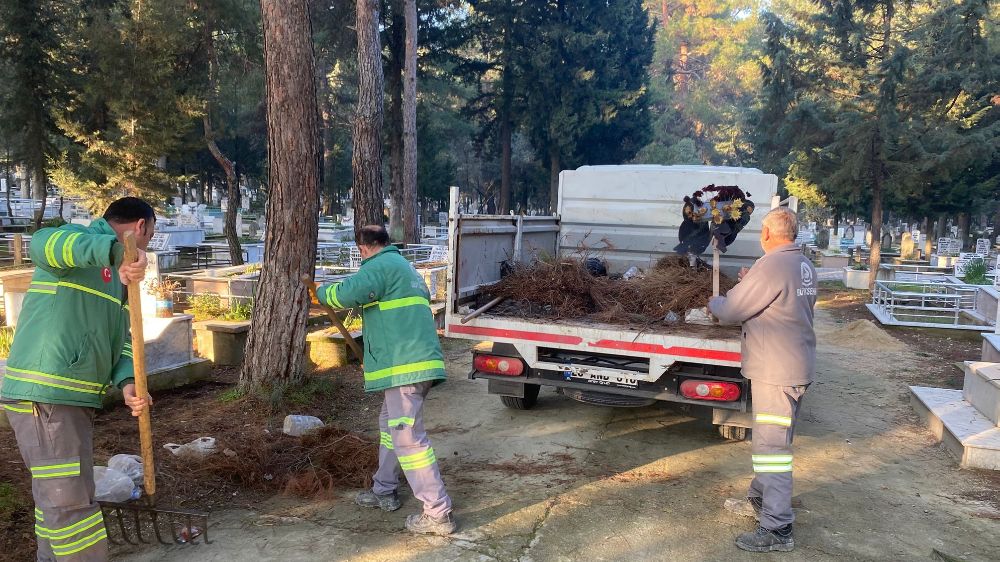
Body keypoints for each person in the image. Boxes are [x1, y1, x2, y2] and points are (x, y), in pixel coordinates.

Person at [1, 197, 154, 562]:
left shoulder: (116, 284)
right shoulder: (76, 243)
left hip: (70, 401)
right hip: (47, 395)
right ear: (142, 228)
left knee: (60, 497)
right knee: (70, 504)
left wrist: (129, 381)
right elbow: (42, 243)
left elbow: (123, 340)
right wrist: (116, 252)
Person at [315, 225, 455, 536]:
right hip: (413, 364)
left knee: (409, 438)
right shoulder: (405, 268)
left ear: (363, 248)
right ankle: (384, 489)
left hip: (405, 367)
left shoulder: (380, 266)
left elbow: (346, 294)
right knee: (390, 428)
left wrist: (321, 292)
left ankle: (437, 512)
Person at [707, 207, 817, 553]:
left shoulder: (771, 264)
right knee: (775, 441)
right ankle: (760, 498)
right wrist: (749, 282)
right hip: (796, 365)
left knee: (772, 449)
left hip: (776, 370)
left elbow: (731, 312)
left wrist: (716, 301)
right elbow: (777, 299)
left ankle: (777, 528)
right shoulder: (801, 263)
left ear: (767, 234)